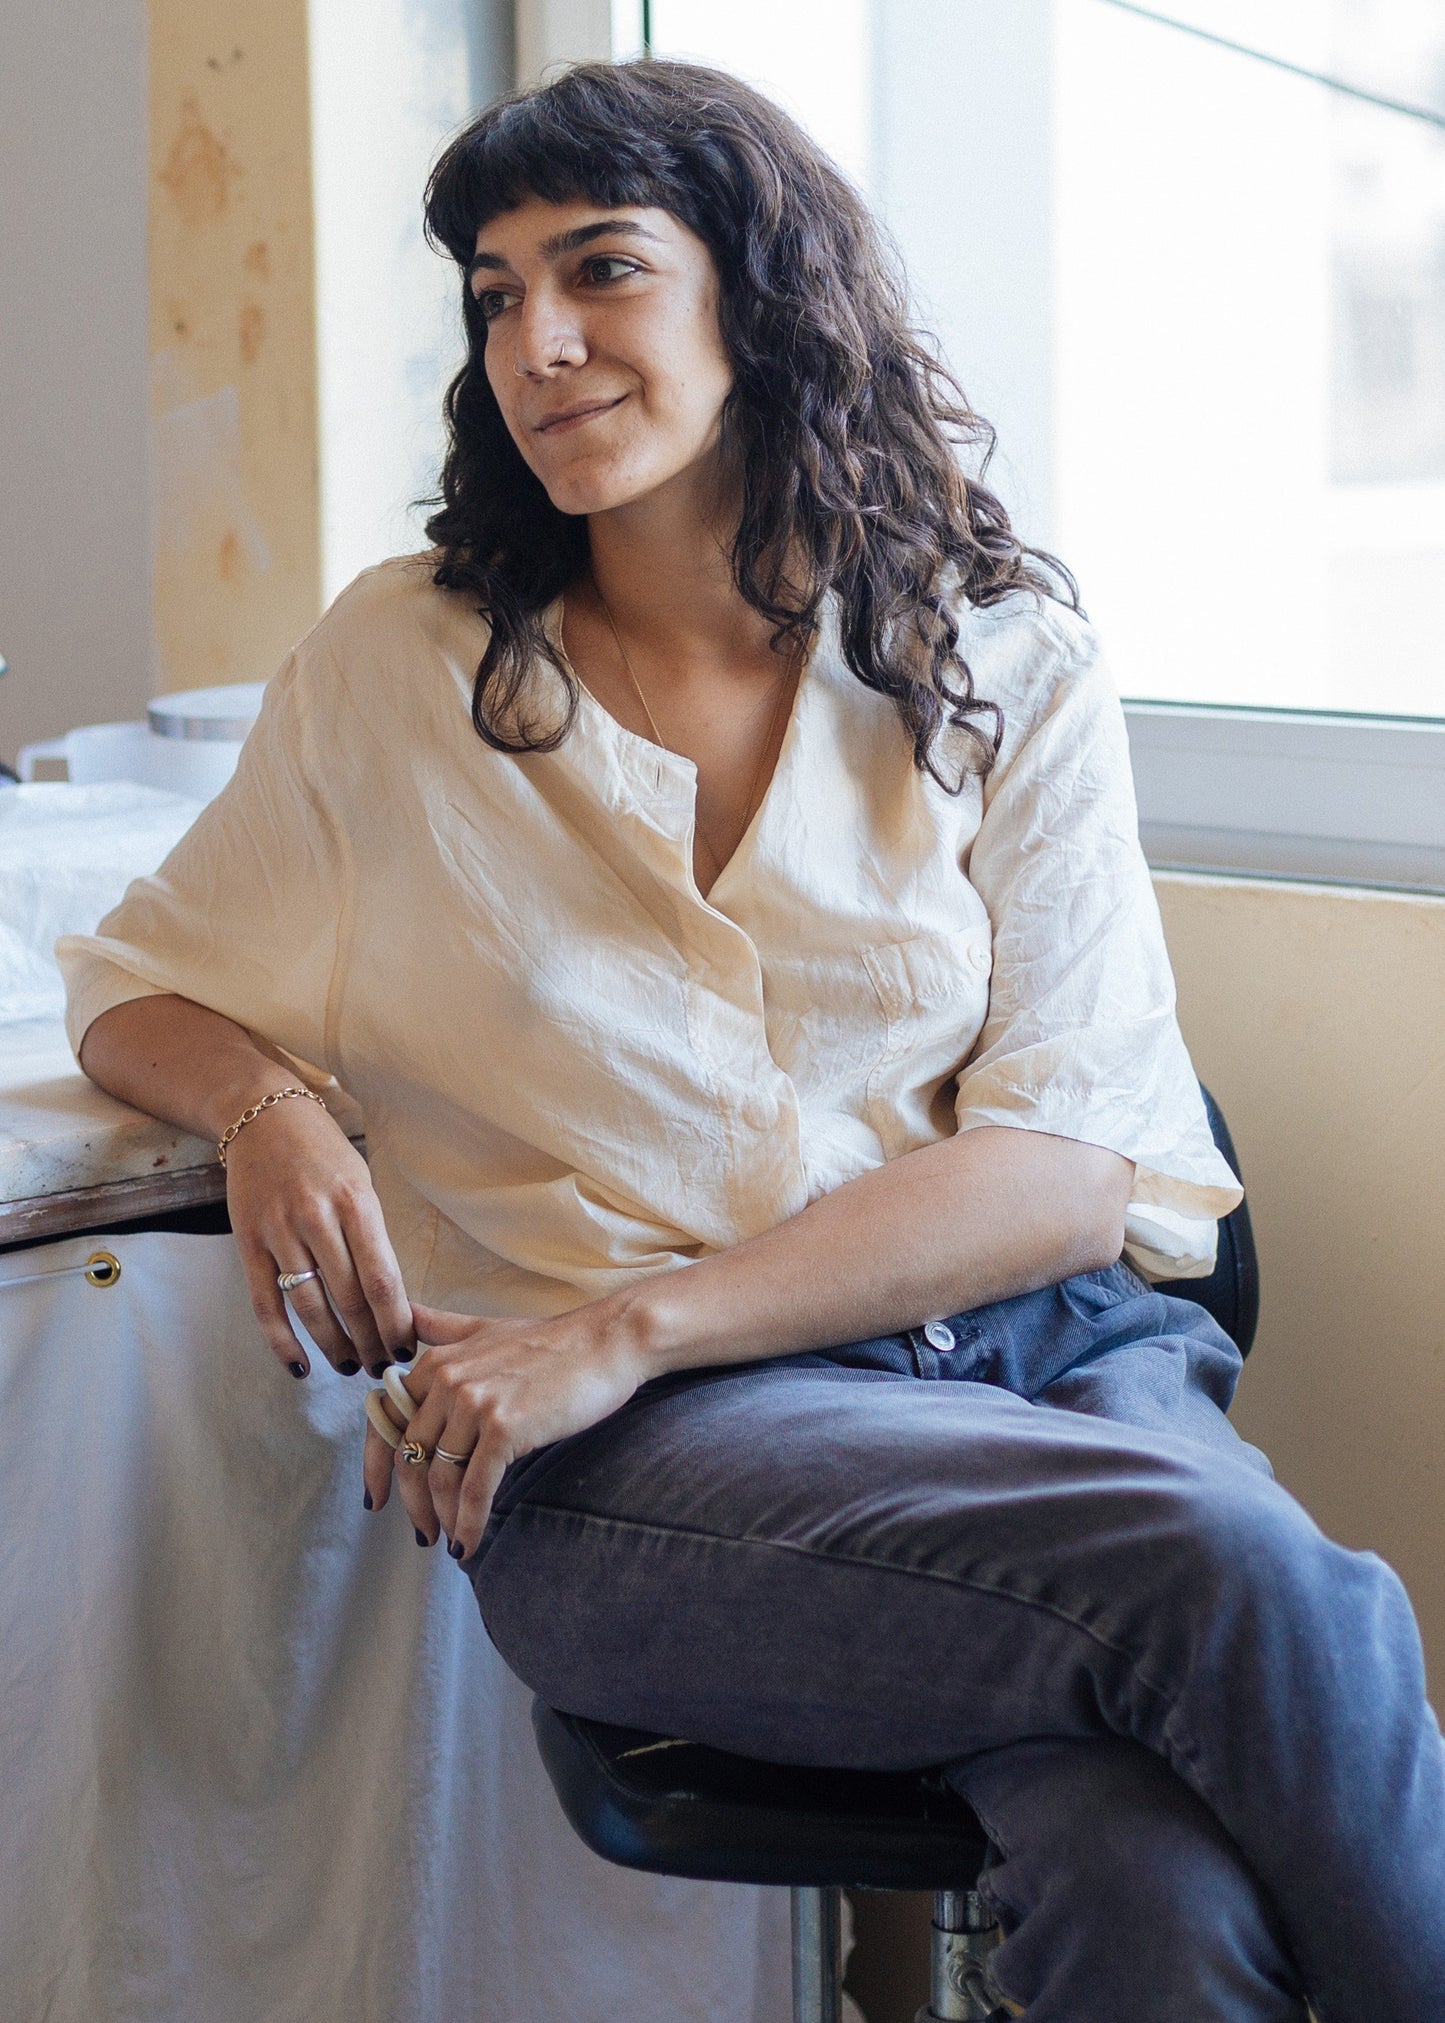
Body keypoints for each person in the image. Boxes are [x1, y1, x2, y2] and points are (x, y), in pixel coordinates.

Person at [61, 60, 1442, 2023]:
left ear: (759, 294)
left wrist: (632, 1318)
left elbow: (1067, 1170)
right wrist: (273, 1106)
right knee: (1267, 1588)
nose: (537, 341)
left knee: (1149, 1888)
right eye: (492, 293)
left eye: (600, 270)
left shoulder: (999, 655)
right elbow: (133, 983)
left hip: (1038, 1371)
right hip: (648, 1467)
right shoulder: (399, 668)